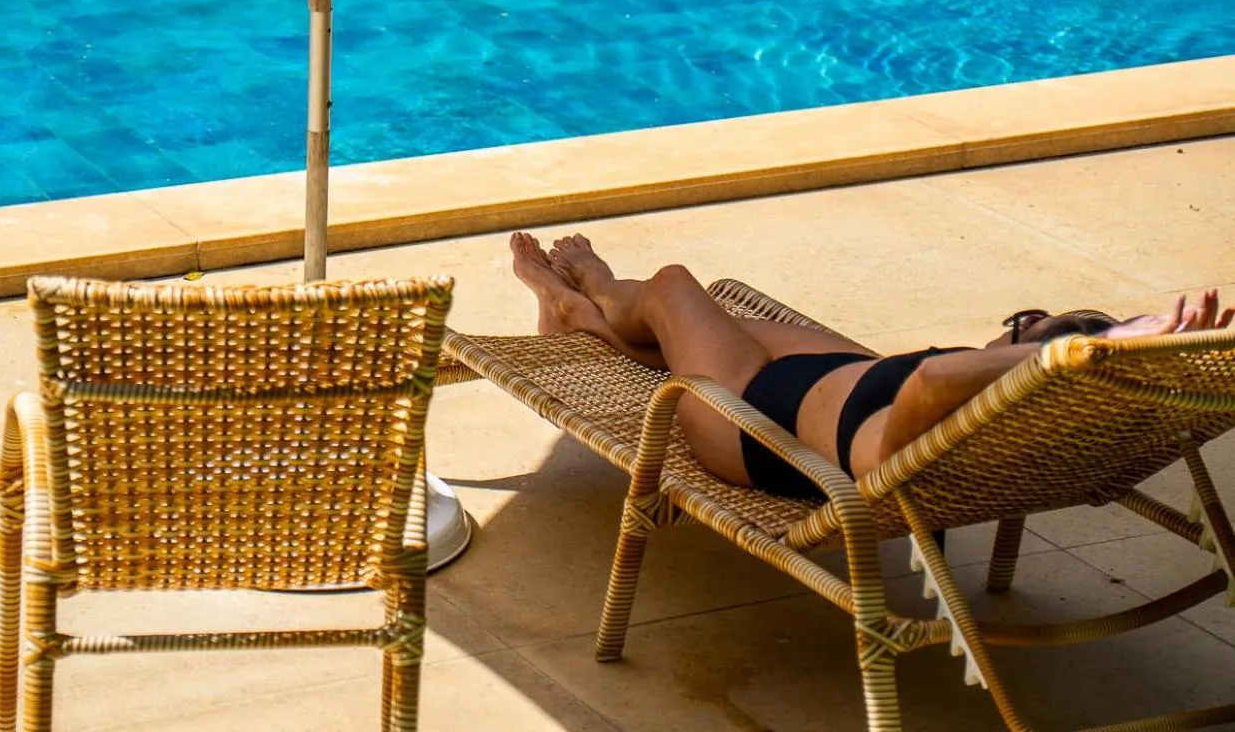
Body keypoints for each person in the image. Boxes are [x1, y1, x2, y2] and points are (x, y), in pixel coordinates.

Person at [509, 231, 1232, 498]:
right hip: (828, 378)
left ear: (1032, 355)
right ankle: (589, 317)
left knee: (672, 287)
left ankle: (593, 294)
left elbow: (930, 377)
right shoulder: (1011, 414)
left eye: (1021, 327)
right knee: (699, 320)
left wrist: (1086, 347)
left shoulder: (942, 403)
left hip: (751, 424)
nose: (1009, 333)